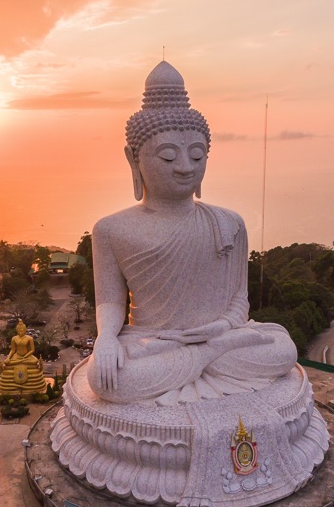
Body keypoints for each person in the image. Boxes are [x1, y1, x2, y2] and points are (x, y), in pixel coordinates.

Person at [87, 61, 297, 406]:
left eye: (197, 155)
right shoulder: (111, 229)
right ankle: (206, 359)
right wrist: (106, 338)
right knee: (107, 378)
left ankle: (205, 356)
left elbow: (239, 300)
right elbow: (110, 300)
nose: (185, 166)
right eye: (168, 156)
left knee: (282, 349)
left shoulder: (229, 222)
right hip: (152, 341)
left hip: (219, 337)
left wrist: (217, 331)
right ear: (133, 160)